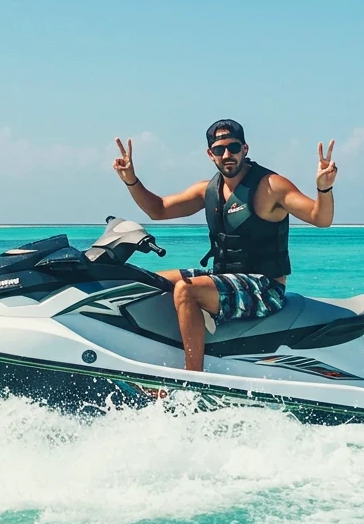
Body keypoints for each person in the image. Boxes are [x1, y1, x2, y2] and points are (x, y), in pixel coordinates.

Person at [112, 119, 337, 371]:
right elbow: (158, 210)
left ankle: (193, 379)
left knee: (186, 291)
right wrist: (131, 180)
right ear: (211, 154)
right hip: (223, 279)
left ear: (245, 149)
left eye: (234, 147)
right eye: (219, 149)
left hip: (265, 288)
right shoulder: (208, 190)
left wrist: (323, 189)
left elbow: (321, 218)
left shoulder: (271, 186)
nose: (227, 154)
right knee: (145, 281)